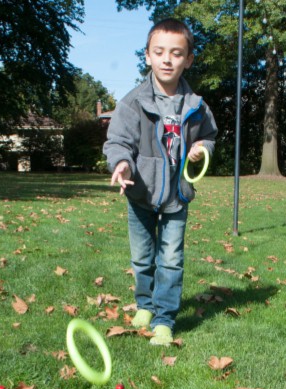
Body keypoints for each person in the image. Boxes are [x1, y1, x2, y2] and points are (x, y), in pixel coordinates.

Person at [103, 18, 218, 346]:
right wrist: (122, 163)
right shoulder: (133, 101)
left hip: (177, 196)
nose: (167, 59)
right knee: (142, 257)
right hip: (140, 194)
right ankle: (145, 304)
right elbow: (118, 140)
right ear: (148, 56)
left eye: (176, 53)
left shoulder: (196, 106)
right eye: (160, 52)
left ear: (188, 59)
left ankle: (165, 319)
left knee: (170, 258)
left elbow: (209, 136)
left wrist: (201, 148)